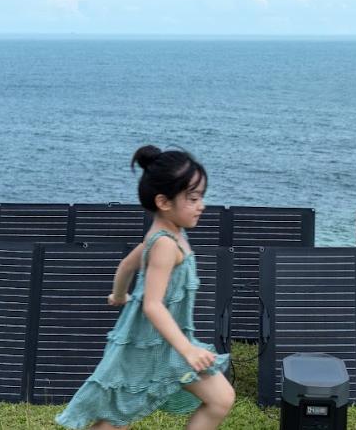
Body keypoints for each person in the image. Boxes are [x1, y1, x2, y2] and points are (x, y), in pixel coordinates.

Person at [55, 145, 234, 429]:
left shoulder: (169, 235)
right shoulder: (164, 244)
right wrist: (187, 349)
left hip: (167, 342)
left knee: (221, 398)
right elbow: (152, 305)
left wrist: (118, 294)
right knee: (116, 416)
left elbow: (127, 265)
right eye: (193, 198)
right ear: (164, 202)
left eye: (202, 196)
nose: (202, 204)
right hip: (150, 346)